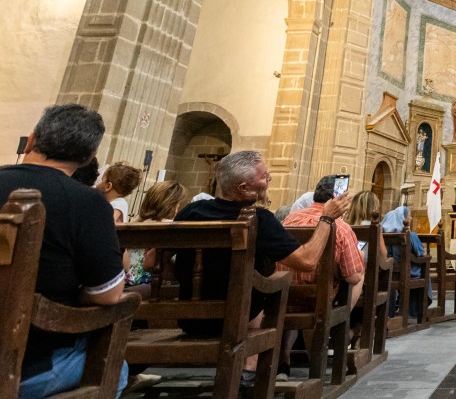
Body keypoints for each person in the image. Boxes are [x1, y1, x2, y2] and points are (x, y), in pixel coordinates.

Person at [174, 150, 349, 388]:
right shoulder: (258, 219)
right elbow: (307, 260)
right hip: (238, 319)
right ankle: (250, 368)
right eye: (264, 176)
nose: (270, 180)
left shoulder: (190, 212)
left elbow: (153, 263)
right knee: (270, 284)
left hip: (188, 317)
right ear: (244, 188)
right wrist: (327, 218)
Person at [0, 104, 129, 399]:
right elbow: (109, 295)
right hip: (28, 364)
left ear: (31, 139)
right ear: (88, 158)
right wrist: (79, 293)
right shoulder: (87, 203)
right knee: (116, 366)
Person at [278, 175, 366, 378]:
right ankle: (338, 322)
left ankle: (283, 360)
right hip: (320, 299)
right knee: (358, 274)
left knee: (293, 294)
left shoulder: (288, 220)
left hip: (283, 296)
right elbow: (352, 276)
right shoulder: (341, 227)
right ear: (339, 199)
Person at [124, 180, 191, 296]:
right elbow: (152, 264)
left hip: (123, 283)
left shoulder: (133, 224)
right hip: (152, 286)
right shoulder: (171, 228)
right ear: (172, 205)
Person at [381, 206, 430, 320]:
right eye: (409, 216)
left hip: (385, 270)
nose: (411, 218)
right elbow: (420, 252)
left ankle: (390, 312)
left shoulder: (382, 234)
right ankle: (415, 310)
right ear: (402, 218)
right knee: (424, 269)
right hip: (407, 272)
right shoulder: (409, 234)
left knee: (392, 275)